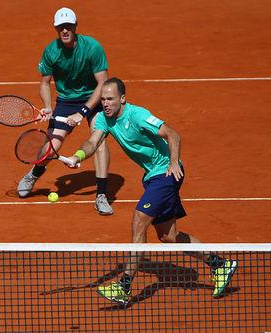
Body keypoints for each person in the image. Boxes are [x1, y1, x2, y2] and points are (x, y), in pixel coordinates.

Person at [65, 77, 237, 305]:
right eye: (103, 99)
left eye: (110, 99)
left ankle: (124, 286)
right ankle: (220, 265)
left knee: (139, 221)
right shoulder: (104, 120)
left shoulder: (137, 115)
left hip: (165, 174)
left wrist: (174, 162)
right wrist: (77, 156)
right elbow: (92, 142)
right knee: (169, 236)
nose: (105, 103)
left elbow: (173, 134)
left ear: (122, 99)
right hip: (152, 177)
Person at [17, 7, 113, 215]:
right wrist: (49, 106)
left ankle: (102, 195)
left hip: (93, 98)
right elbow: (44, 83)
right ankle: (34, 174)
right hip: (66, 101)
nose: (65, 30)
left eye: (68, 26)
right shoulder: (51, 51)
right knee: (51, 146)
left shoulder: (92, 48)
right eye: (61, 27)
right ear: (56, 29)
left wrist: (84, 112)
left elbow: (103, 84)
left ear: (75, 27)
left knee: (100, 141)